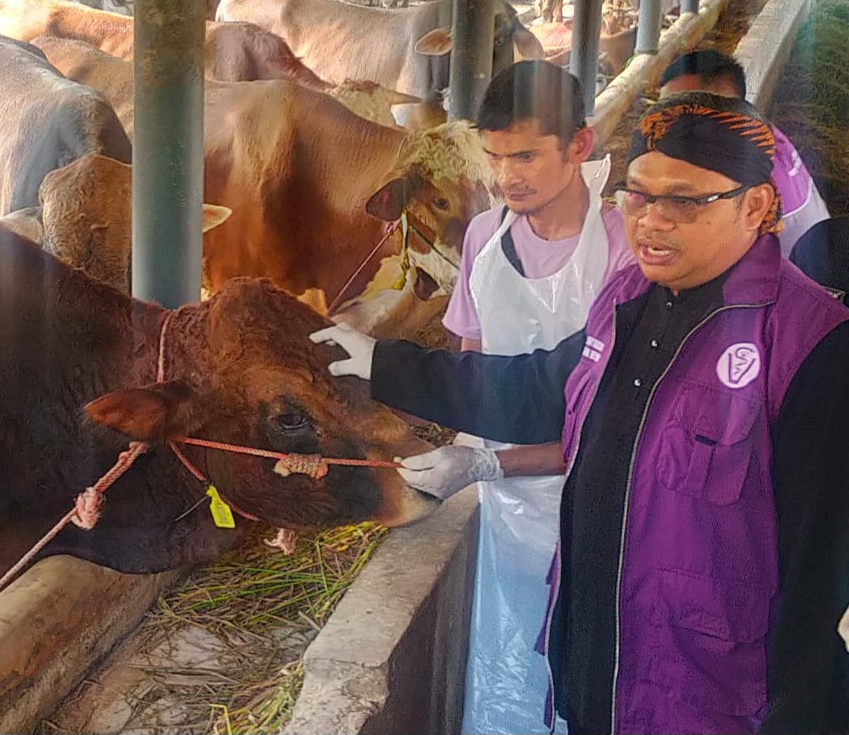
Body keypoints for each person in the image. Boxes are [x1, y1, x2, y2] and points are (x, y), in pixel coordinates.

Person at [312, 92, 849, 734]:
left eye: (684, 199)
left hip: (715, 700)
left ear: (755, 205)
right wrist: (386, 365)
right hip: (601, 673)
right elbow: (540, 389)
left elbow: (824, 574)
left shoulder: (812, 347)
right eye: (638, 195)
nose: (650, 220)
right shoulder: (627, 300)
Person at [439, 60, 635, 735]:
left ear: (579, 145)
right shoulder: (483, 239)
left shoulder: (623, 250)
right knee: (505, 680)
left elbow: (616, 421)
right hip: (500, 517)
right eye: (495, 156)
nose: (506, 175)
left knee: (581, 684)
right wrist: (465, 451)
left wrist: (494, 462)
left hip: (594, 513)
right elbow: (471, 369)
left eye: (525, 154)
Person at [660, 49, 831, 256]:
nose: (663, 127)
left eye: (679, 116)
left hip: (797, 275)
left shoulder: (743, 178)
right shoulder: (749, 130)